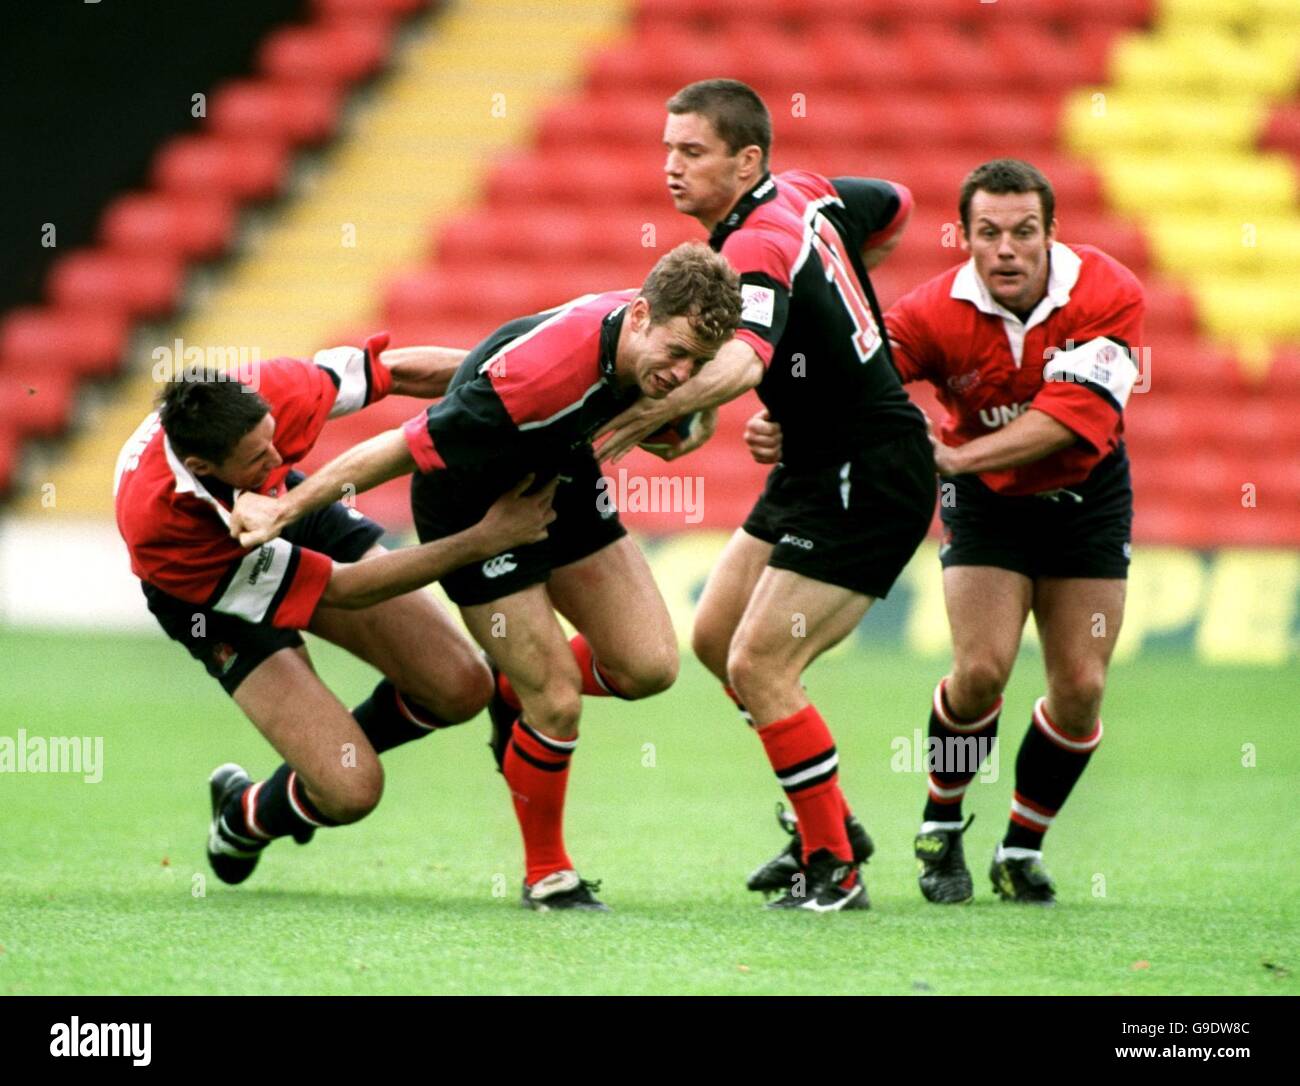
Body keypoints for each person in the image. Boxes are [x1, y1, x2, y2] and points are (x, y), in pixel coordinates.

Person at [229, 242, 743, 910]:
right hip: (468, 504)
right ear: (640, 315)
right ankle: (547, 874)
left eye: (696, 363)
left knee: (649, 667)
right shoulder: (538, 379)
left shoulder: (652, 340)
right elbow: (396, 450)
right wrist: (288, 508)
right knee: (555, 697)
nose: (682, 373)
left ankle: (513, 681)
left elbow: (741, 356)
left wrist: (686, 414)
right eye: (676, 355)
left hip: (557, 478)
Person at [743, 158, 1146, 905]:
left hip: (1087, 500)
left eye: (1024, 232)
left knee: (1083, 686)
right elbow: (855, 377)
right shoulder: (932, 312)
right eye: (988, 233)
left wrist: (958, 455)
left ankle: (1022, 846)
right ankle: (942, 821)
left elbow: (1076, 418)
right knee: (982, 672)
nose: (1006, 249)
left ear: (1052, 233)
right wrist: (784, 422)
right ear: (964, 238)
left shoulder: (1108, 292)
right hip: (988, 509)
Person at [597, 79, 935, 912]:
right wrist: (829, 344)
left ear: (747, 160)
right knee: (717, 641)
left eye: (692, 152)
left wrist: (616, 434)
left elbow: (743, 362)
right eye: (667, 147)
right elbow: (893, 206)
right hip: (815, 461)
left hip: (868, 471)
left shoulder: (752, 246)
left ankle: (835, 871)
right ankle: (831, 827)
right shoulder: (808, 191)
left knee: (761, 662)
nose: (670, 167)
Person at [114, 334, 558, 886]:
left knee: (461, 686)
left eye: (272, 441)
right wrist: (486, 537)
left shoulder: (274, 389)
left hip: (289, 515)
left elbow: (393, 371)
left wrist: (515, 387)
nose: (278, 458)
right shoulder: (165, 526)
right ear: (204, 465)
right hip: (210, 593)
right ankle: (244, 818)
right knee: (351, 792)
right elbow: (345, 590)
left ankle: (267, 796)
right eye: (258, 459)